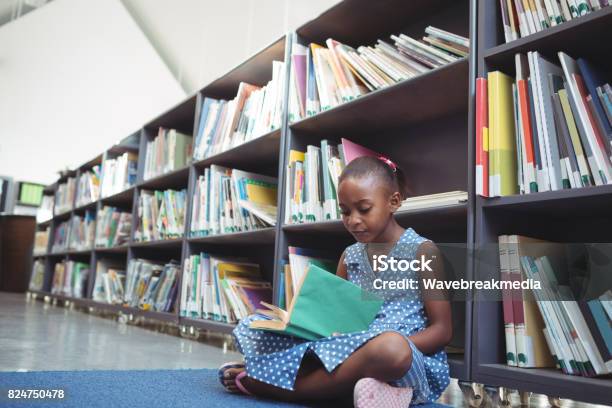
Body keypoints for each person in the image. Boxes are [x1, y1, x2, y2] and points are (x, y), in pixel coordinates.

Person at [219, 155, 452, 407]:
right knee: (254, 325)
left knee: (391, 349)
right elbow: (334, 320)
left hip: (401, 358)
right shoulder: (350, 255)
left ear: (393, 202)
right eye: (345, 211)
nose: (353, 220)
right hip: (345, 349)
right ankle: (363, 392)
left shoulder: (422, 251)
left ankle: (274, 386)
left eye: (364, 209)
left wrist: (369, 345)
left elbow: (442, 331)